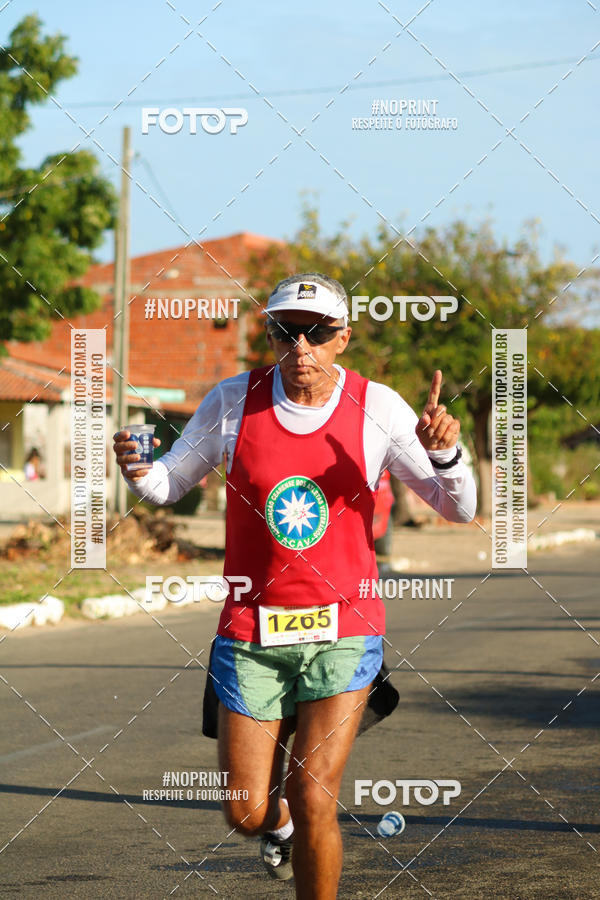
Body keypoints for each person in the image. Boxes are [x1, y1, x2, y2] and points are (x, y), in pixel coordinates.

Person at [113, 273, 476, 899]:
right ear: (271, 335)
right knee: (246, 811)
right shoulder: (233, 402)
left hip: (344, 629)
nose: (300, 346)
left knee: (314, 794)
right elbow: (168, 485)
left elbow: (458, 509)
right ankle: (273, 826)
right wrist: (137, 468)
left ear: (343, 339)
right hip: (252, 631)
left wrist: (447, 454)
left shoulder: (379, 407)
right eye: (285, 330)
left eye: (317, 332)